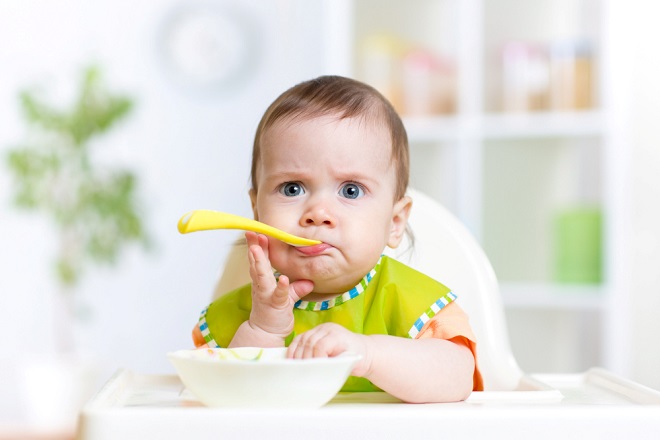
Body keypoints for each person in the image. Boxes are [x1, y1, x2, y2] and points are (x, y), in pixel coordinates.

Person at [192, 75, 483, 403]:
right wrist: (264, 329)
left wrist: (368, 353)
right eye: (292, 188)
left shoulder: (413, 304)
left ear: (395, 222)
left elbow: (457, 379)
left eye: (351, 190)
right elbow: (227, 400)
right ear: (257, 212)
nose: (318, 213)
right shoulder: (241, 314)